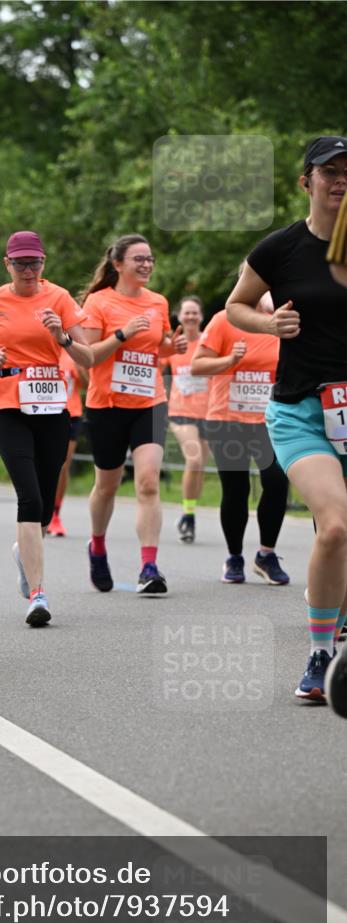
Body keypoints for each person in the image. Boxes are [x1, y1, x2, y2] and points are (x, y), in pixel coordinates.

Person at [226, 135, 347, 702]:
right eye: (330, 171)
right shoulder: (281, 249)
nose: (340, 180)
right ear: (307, 182)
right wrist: (268, 324)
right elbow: (236, 306)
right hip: (301, 409)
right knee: (336, 524)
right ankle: (321, 653)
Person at [0, 230, 93, 626]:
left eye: (34, 263)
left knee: (44, 503)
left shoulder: (60, 298)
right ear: (7, 264)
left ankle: (24, 550)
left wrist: (62, 338)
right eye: (20, 263)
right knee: (29, 498)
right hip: (9, 407)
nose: (28, 270)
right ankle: (38, 594)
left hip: (52, 408)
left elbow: (89, 356)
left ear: (43, 262)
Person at [79, 234, 187, 595]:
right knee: (106, 486)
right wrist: (122, 334)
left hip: (149, 403)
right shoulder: (99, 302)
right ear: (118, 264)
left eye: (150, 259)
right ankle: (97, 546)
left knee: (148, 482)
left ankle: (149, 566)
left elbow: (160, 347)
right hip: (107, 406)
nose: (147, 264)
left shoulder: (158, 302)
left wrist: (174, 346)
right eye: (139, 259)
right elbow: (89, 355)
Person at [191, 293, 289, 585]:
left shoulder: (279, 322)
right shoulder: (224, 320)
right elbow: (198, 365)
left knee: (276, 480)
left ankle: (266, 554)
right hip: (227, 420)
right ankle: (234, 557)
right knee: (236, 489)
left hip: (270, 420)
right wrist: (230, 360)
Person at [163, 295, 210, 543]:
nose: (190, 317)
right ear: (179, 316)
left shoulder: (210, 342)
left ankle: (188, 512)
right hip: (180, 412)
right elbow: (156, 365)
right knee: (194, 459)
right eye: (186, 313)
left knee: (200, 466)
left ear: (201, 316)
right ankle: (189, 517)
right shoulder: (174, 343)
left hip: (208, 412)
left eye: (195, 313)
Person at [47, 346, 89, 537]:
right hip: (44, 413)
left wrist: (81, 371)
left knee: (62, 465)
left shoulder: (72, 349)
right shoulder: (41, 346)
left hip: (71, 414)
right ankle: (39, 507)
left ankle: (55, 513)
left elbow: (89, 385)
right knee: (41, 463)